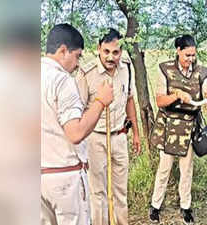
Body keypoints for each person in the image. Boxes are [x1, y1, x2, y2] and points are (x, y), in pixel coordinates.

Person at [41, 23, 113, 225]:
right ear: (63, 50)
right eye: (77, 56)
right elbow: (75, 132)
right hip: (64, 178)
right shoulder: (62, 81)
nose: (78, 64)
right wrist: (100, 101)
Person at [76, 28, 141, 225]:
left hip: (120, 136)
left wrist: (136, 134)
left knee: (121, 191)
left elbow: (130, 100)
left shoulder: (126, 68)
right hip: (95, 138)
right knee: (98, 193)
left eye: (115, 52)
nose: (111, 57)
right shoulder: (86, 73)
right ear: (98, 49)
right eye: (106, 52)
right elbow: (77, 113)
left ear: (121, 51)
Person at [149, 34, 207, 224]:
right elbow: (160, 100)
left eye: (193, 55)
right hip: (169, 125)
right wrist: (177, 95)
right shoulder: (165, 70)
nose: (190, 59)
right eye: (187, 55)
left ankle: (186, 207)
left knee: (187, 170)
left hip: (189, 127)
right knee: (164, 168)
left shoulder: (200, 72)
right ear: (178, 51)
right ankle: (155, 205)